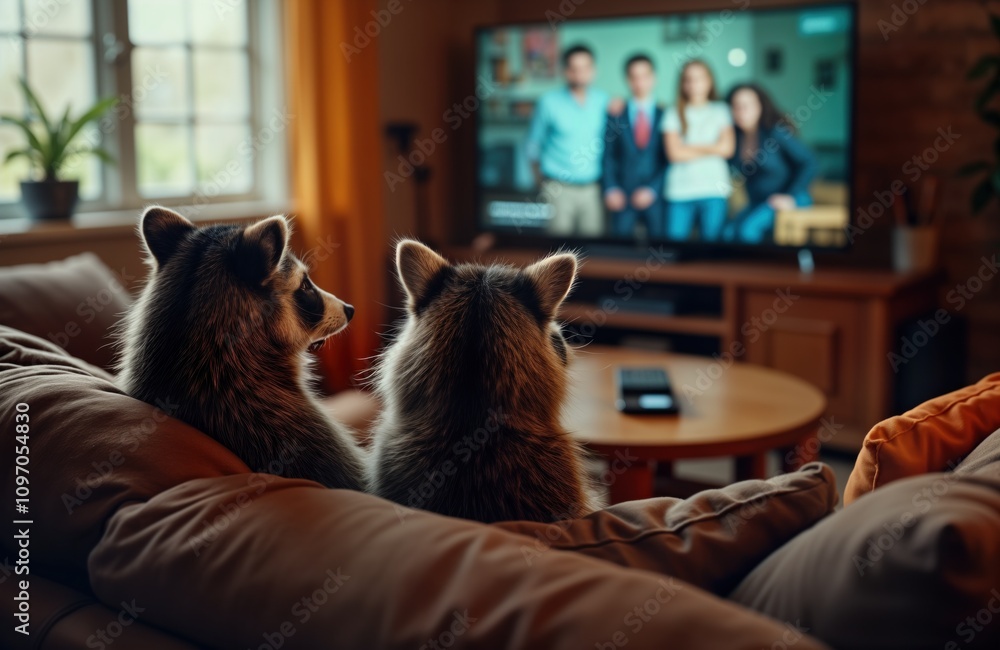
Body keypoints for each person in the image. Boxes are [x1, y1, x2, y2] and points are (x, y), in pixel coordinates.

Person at [525, 44, 609, 237]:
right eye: (574, 68)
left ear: (593, 71)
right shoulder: (548, 102)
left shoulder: (604, 101)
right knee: (558, 254)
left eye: (585, 68)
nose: (580, 74)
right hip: (558, 189)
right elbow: (532, 144)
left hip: (592, 189)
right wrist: (540, 182)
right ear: (565, 71)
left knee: (592, 252)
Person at [725, 83, 817, 244]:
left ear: (760, 106)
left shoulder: (776, 132)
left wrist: (790, 196)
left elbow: (810, 162)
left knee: (748, 230)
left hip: (791, 198)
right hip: (759, 202)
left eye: (747, 105)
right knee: (727, 233)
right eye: (736, 106)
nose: (741, 111)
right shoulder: (735, 138)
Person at [660, 59, 735, 242]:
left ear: (710, 81)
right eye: (689, 79)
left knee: (712, 251)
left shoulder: (721, 110)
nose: (694, 84)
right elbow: (675, 154)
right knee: (673, 250)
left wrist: (688, 147)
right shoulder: (672, 112)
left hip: (714, 190)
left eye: (700, 78)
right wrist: (712, 147)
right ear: (682, 84)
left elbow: (727, 149)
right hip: (680, 191)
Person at [602, 54, 668, 239]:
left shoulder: (666, 114)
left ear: (653, 78)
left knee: (660, 250)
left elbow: (669, 159)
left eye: (645, 75)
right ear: (627, 79)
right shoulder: (615, 113)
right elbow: (608, 154)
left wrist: (653, 189)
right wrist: (611, 188)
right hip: (622, 196)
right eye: (634, 76)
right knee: (619, 252)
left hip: (656, 196)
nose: (640, 82)